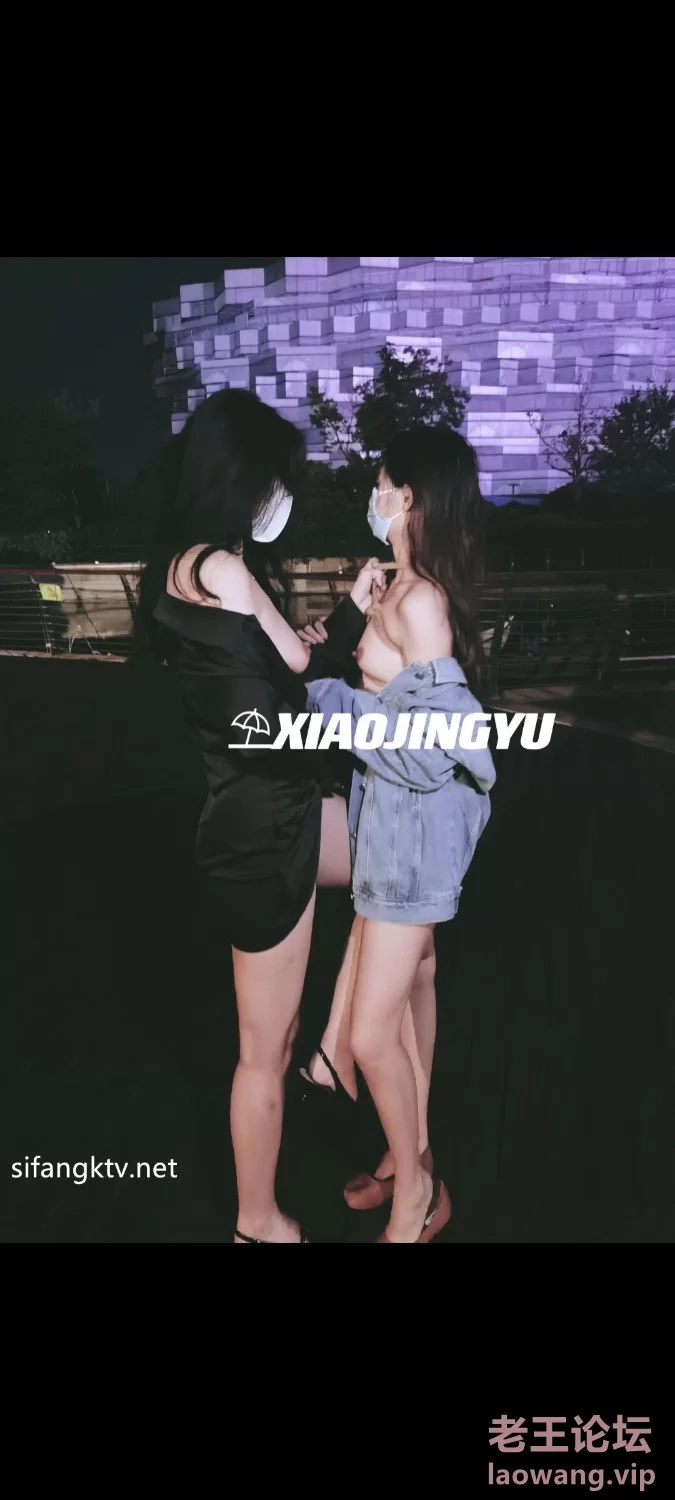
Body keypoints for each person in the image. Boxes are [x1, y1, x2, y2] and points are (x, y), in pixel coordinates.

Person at [137, 388, 388, 1244]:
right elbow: (297, 668)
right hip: (266, 833)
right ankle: (256, 1222)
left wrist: (330, 623)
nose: (279, 497)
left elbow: (278, 660)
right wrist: (353, 614)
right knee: (262, 1053)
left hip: (259, 814)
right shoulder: (223, 566)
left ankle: (336, 1046)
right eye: (273, 480)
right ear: (241, 477)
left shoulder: (181, 566)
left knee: (398, 864)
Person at [297, 427, 496, 1243]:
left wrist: (329, 702)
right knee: (413, 993)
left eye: (378, 483)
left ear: (405, 496)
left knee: (372, 1032)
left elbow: (434, 743)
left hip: (411, 834)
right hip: (388, 818)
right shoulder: (399, 586)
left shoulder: (420, 603)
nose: (371, 496)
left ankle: (416, 1194)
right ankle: (406, 1153)